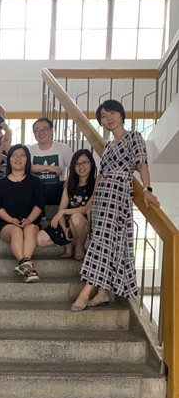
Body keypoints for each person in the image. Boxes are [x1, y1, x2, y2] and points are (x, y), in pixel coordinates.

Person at [71, 100, 160, 311]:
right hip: (102, 197)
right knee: (103, 240)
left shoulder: (134, 136)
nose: (108, 118)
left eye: (111, 113)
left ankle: (85, 293)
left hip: (118, 193)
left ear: (121, 114)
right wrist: (92, 202)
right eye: (103, 116)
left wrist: (147, 189)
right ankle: (103, 292)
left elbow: (141, 164)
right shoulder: (108, 145)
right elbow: (101, 175)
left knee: (103, 241)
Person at [0, 144, 45, 283]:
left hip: (31, 222)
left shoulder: (35, 182)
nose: (18, 159)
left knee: (30, 228)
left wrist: (29, 220)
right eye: (14, 155)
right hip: (7, 225)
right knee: (16, 230)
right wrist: (11, 220)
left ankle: (25, 266)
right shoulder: (1, 183)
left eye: (22, 155)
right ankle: (27, 264)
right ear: (9, 159)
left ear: (27, 159)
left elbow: (39, 205)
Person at [36, 149, 97, 260]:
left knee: (76, 218)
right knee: (39, 239)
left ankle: (79, 247)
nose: (81, 166)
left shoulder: (96, 184)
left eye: (85, 162)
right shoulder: (70, 185)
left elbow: (85, 209)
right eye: (77, 164)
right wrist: (64, 228)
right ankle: (70, 242)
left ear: (91, 164)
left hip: (85, 224)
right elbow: (61, 208)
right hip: (68, 223)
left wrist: (63, 212)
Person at [28, 117, 73, 205]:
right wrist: (49, 168)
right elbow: (26, 167)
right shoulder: (29, 150)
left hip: (57, 189)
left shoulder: (63, 148)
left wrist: (70, 179)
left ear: (52, 130)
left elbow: (74, 167)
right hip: (36, 189)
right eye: (37, 130)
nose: (41, 133)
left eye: (44, 129)